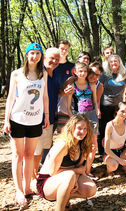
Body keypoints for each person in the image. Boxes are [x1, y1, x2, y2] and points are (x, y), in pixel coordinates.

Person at [3, 43, 50, 206]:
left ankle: (27, 188)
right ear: (26, 55)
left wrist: (46, 115)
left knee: (30, 154)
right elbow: (10, 98)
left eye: (38, 53)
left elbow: (45, 97)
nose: (35, 56)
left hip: (35, 120)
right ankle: (18, 191)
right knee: (18, 155)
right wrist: (6, 119)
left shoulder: (42, 73)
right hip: (18, 118)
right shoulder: (16, 74)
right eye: (32, 53)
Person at [36, 114, 96, 210]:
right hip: (47, 182)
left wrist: (75, 178)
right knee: (70, 175)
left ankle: (64, 198)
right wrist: (74, 174)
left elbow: (81, 168)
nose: (83, 132)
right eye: (79, 128)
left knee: (91, 189)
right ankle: (60, 208)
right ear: (71, 128)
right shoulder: (63, 145)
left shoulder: (82, 144)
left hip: (67, 178)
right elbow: (53, 172)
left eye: (85, 129)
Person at [66, 62, 100, 177]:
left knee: (93, 146)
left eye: (85, 71)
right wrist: (72, 118)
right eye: (80, 71)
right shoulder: (72, 86)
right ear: (75, 71)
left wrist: (97, 111)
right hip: (79, 117)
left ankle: (87, 170)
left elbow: (95, 101)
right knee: (79, 145)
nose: (83, 73)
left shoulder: (92, 85)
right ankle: (78, 169)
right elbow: (68, 105)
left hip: (91, 116)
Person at [33, 48, 60, 179]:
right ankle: (32, 176)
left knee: (44, 146)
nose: (54, 61)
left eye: (57, 59)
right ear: (44, 58)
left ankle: (36, 174)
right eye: (51, 58)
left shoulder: (55, 75)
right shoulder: (38, 74)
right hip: (36, 117)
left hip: (49, 118)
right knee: (35, 149)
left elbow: (54, 94)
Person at [98, 54, 126, 155]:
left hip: (119, 107)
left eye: (115, 61)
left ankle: (116, 150)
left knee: (117, 129)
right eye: (111, 61)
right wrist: (98, 108)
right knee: (103, 130)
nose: (113, 63)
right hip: (105, 106)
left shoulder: (125, 75)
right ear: (108, 63)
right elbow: (98, 91)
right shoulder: (104, 75)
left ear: (119, 62)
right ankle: (102, 151)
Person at [55, 40, 75, 133]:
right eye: (62, 49)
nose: (64, 51)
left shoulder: (72, 67)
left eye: (66, 49)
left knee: (64, 134)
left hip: (65, 106)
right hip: (51, 103)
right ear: (57, 49)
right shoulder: (52, 65)